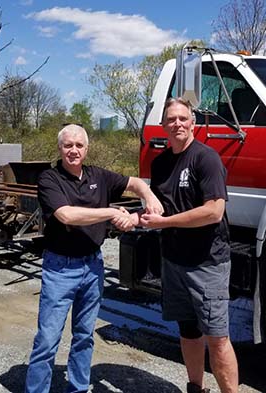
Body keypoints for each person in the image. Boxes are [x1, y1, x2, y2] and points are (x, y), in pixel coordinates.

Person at [24, 124, 163, 393]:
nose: (73, 151)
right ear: (60, 148)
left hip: (92, 266)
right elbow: (67, 215)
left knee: (85, 336)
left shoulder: (98, 175)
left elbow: (132, 182)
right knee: (48, 340)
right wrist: (111, 213)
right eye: (68, 145)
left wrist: (148, 194)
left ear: (87, 149)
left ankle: (77, 387)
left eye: (79, 145)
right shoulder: (49, 179)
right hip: (60, 269)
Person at [138, 98, 239, 393]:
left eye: (183, 118)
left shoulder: (206, 158)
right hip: (173, 262)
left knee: (217, 338)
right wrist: (141, 216)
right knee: (188, 331)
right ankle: (196, 388)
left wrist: (165, 223)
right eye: (171, 119)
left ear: (193, 123)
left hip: (207, 264)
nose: (177, 124)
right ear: (164, 125)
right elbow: (160, 207)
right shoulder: (160, 164)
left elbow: (213, 212)